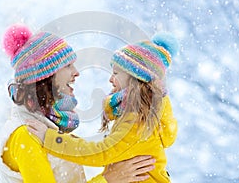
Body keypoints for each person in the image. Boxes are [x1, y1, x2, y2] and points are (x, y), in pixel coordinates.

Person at [0, 24, 155, 183]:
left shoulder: (52, 127)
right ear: (46, 76)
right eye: (67, 66)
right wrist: (109, 179)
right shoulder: (28, 134)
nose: (76, 72)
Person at [27, 32, 179, 182]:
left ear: (135, 79)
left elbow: (100, 152)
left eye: (116, 73)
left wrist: (51, 139)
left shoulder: (137, 119)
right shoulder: (147, 114)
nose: (111, 79)